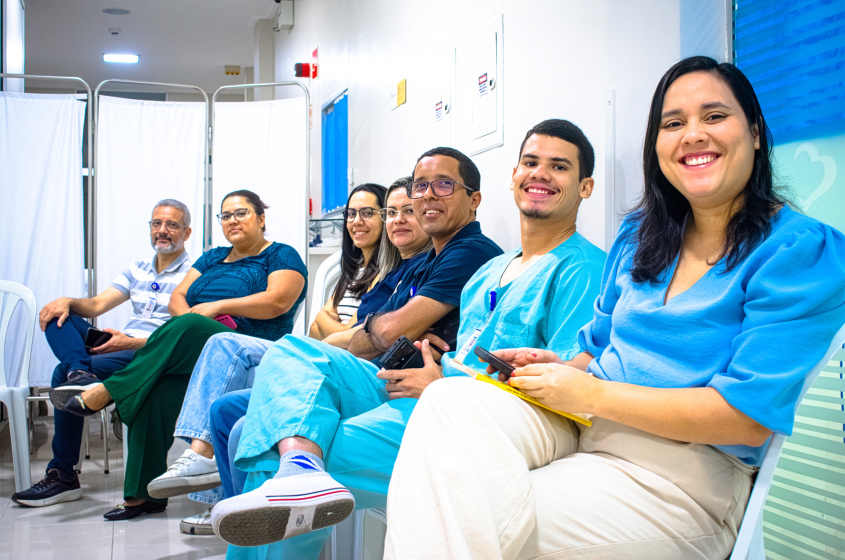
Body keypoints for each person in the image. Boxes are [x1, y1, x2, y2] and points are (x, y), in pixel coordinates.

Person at [382, 57, 845, 560]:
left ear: (755, 132)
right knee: (449, 402)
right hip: (581, 429)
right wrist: (561, 368)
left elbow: (746, 418)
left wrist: (591, 392)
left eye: (714, 117)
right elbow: (595, 350)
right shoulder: (639, 237)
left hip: (680, 477)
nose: (693, 135)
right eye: (673, 123)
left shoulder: (799, 251)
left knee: (459, 512)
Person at [210, 145, 515, 556]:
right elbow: (380, 330)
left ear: (473, 199)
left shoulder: (471, 252)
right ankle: (297, 470)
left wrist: (383, 332)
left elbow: (387, 330)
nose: (426, 196)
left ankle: (299, 469)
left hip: (409, 385)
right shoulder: (425, 262)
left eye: (443, 185)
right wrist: (381, 331)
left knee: (270, 414)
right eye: (420, 186)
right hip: (384, 374)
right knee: (287, 359)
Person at [152, 178, 432, 535]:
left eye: (371, 213)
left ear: (261, 219)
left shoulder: (391, 268)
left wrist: (339, 330)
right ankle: (229, 501)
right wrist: (343, 329)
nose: (359, 222)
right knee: (221, 404)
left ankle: (204, 459)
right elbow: (322, 326)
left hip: (335, 364)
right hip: (320, 354)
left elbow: (361, 332)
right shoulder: (350, 271)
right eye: (353, 214)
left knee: (228, 345)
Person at [48, 189, 308, 521]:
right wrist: (193, 317)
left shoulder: (281, 255)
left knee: (184, 332)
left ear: (261, 218)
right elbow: (178, 298)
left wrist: (217, 306)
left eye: (241, 213)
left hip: (248, 346)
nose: (232, 221)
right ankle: (142, 498)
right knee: (156, 387)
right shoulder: (212, 257)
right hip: (195, 346)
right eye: (225, 215)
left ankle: (108, 390)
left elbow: (278, 301)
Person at [10, 200, 194, 508]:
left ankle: (63, 475)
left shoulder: (194, 272)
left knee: (59, 375)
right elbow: (97, 306)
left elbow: (185, 330)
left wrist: (131, 342)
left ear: (186, 232)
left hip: (152, 349)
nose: (162, 231)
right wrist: (67, 301)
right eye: (156, 224)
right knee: (61, 316)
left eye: (172, 225)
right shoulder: (138, 268)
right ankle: (80, 373)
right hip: (118, 341)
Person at [309, 183, 392, 339]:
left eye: (367, 213)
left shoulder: (387, 273)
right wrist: (327, 322)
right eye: (351, 214)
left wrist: (323, 318)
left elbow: (350, 334)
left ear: (386, 217)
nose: (357, 221)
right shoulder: (354, 269)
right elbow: (313, 330)